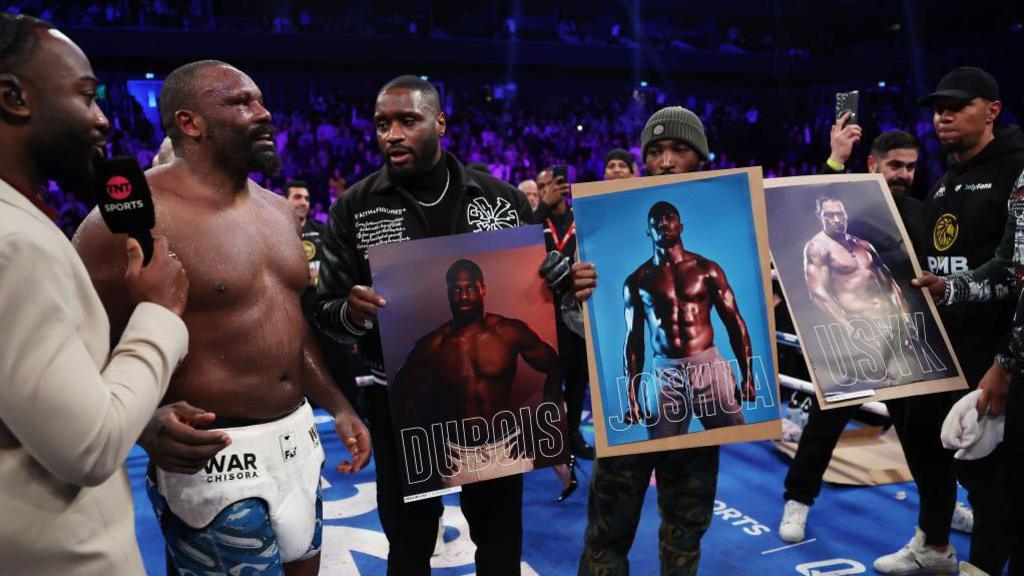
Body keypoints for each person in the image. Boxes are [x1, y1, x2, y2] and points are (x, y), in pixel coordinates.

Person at [73, 59, 370, 576]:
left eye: (260, 100)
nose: (263, 113)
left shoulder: (278, 211)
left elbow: (290, 328)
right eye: (240, 102)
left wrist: (338, 405)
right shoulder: (128, 221)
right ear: (190, 123)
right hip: (213, 456)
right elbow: (74, 344)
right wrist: (139, 423)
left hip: (297, 439)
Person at [315, 75, 533, 575]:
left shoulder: (500, 201)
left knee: (499, 542)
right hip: (402, 401)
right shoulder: (355, 207)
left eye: (407, 121)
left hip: (489, 404)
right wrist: (350, 312)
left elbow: (532, 294)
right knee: (409, 546)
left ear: (440, 123)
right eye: (382, 124)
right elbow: (326, 311)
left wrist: (558, 278)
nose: (391, 134)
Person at [0, 13, 190, 575]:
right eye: (86, 96)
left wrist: (135, 413)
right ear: (13, 97)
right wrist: (158, 312)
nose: (103, 119)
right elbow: (89, 447)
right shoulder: (14, 244)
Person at [573, 106, 734, 575]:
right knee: (607, 526)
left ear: (700, 159)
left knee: (687, 525)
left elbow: (740, 320)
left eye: (679, 150)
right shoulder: (604, 230)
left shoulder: (720, 242)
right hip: (653, 382)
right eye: (656, 151)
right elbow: (606, 333)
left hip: (706, 369)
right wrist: (573, 293)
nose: (666, 161)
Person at [902, 66, 1024, 576]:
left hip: (996, 349)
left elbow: (1015, 271)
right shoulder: (945, 181)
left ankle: (984, 567)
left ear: (992, 110)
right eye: (938, 108)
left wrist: (1006, 361)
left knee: (989, 474)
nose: (943, 116)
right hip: (943, 346)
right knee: (931, 449)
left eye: (958, 106)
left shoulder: (1017, 170)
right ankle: (934, 546)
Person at [393, 258, 561, 488]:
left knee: (510, 507)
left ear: (483, 289)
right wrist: (427, 447)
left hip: (509, 449)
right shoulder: (431, 346)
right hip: (458, 459)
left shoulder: (509, 332)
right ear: (447, 293)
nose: (463, 296)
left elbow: (554, 366)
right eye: (456, 290)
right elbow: (399, 397)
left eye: (471, 288)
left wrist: (541, 425)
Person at [622, 199, 754, 438]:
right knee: (662, 447)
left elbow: (734, 322)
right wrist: (631, 397)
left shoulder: (707, 270)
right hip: (665, 373)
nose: (663, 223)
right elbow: (634, 342)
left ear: (681, 226)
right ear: (648, 232)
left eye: (669, 217)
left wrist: (749, 376)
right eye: (655, 221)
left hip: (708, 365)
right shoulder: (637, 281)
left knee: (736, 438)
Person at [803, 193, 912, 386]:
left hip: (889, 323)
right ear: (819, 216)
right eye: (829, 215)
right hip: (859, 327)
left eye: (840, 214)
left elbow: (889, 283)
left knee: (904, 383)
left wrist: (904, 315)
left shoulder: (863, 245)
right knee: (862, 388)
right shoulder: (818, 248)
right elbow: (818, 293)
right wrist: (848, 327)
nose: (837, 219)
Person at [534, 165, 597, 461]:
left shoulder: (579, 218)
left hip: (577, 314)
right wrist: (541, 207)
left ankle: (572, 434)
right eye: (542, 186)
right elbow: (519, 243)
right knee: (547, 382)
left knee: (577, 380)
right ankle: (548, 439)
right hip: (542, 313)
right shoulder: (536, 221)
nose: (549, 189)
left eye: (554, 183)